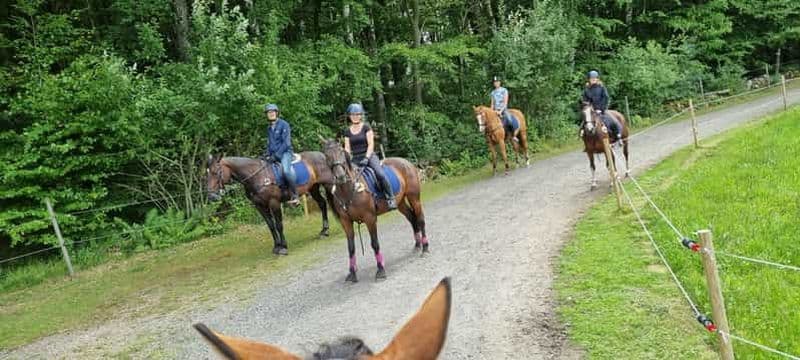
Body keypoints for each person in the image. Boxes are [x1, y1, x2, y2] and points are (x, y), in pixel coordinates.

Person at [341, 103, 397, 210]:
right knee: (348, 178)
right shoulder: (347, 131)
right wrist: (346, 158)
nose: (355, 116)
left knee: (380, 174)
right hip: (355, 159)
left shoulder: (366, 127)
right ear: (349, 116)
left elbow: (371, 144)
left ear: (361, 115)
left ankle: (390, 198)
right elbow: (347, 148)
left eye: (357, 114)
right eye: (353, 114)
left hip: (369, 156)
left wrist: (366, 158)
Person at [260, 103, 300, 206]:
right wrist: (266, 155)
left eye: (273, 112)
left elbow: (286, 143)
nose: (271, 114)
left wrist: (276, 156)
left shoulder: (284, 124)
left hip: (286, 153)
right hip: (274, 154)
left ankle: (295, 195)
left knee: (286, 171)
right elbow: (270, 144)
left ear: (277, 113)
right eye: (269, 112)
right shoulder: (269, 128)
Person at [581, 70, 622, 142]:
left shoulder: (601, 87)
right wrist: (588, 108)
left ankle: (618, 135)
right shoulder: (586, 89)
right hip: (591, 111)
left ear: (597, 79)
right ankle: (585, 138)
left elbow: (606, 98)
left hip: (601, 109)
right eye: (591, 78)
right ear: (589, 79)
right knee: (585, 123)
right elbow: (585, 101)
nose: (593, 79)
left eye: (595, 78)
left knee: (612, 120)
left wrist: (601, 109)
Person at [490, 76, 519, 141]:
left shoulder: (504, 90)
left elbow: (505, 102)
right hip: (495, 111)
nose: (496, 83)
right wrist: (491, 111)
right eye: (495, 82)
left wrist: (500, 111)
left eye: (497, 82)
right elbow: (492, 104)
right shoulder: (492, 93)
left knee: (510, 120)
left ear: (500, 82)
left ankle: (514, 135)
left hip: (503, 109)